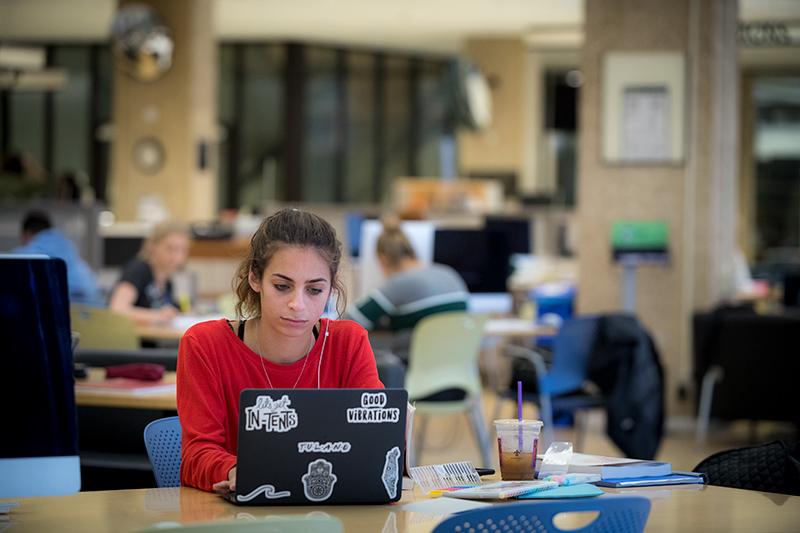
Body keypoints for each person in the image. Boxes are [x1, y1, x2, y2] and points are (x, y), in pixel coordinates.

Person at [177, 208, 383, 492]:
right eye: (282, 286)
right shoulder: (205, 344)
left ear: (330, 289)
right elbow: (195, 456)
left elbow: (376, 442)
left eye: (314, 290)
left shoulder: (348, 342)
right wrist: (238, 471)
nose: (297, 304)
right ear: (255, 278)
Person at [347, 216, 469, 363]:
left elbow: (348, 323)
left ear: (383, 259)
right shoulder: (450, 274)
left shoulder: (399, 284)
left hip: (415, 370)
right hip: (458, 370)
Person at [10, 210, 102, 305]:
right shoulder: (67, 244)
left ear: (27, 233)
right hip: (93, 304)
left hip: (64, 306)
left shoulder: (27, 254)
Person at [108, 220, 190, 325]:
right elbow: (117, 310)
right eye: (170, 249)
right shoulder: (138, 270)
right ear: (152, 246)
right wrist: (157, 315)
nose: (177, 257)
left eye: (182, 250)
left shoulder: (167, 282)